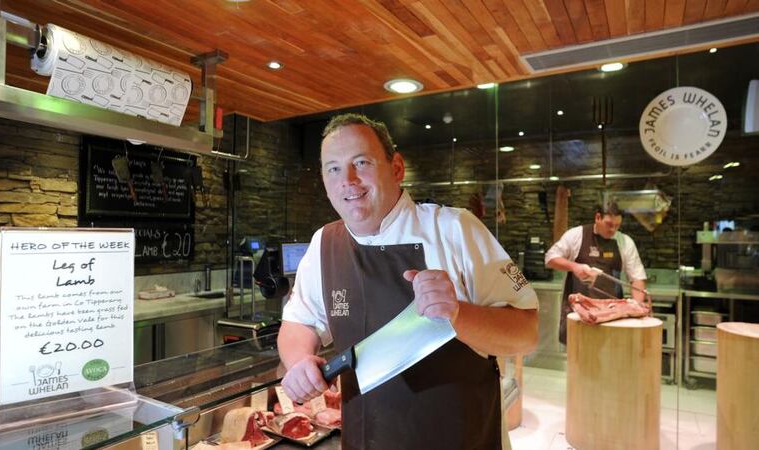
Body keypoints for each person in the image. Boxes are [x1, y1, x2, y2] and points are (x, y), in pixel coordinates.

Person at [277, 113, 538, 450]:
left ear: (396, 168)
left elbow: (526, 333)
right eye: (334, 168)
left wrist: (458, 314)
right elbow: (299, 322)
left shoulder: (455, 229)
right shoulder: (324, 244)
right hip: (364, 438)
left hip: (461, 438)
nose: (348, 180)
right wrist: (299, 364)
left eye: (361, 162)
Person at [544, 202, 648, 344]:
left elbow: (637, 278)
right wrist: (574, 266)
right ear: (597, 217)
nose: (613, 230)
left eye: (617, 225)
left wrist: (636, 307)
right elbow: (550, 258)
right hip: (579, 314)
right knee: (579, 360)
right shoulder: (576, 235)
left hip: (612, 317)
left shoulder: (625, 242)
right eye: (609, 224)